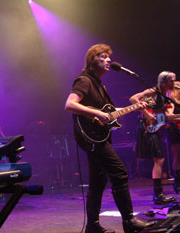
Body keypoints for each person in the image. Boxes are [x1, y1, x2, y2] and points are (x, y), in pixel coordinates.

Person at [65, 44, 152, 233]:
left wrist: (137, 107)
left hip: (99, 135)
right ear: (92, 60)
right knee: (119, 173)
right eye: (103, 57)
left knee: (98, 181)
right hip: (91, 137)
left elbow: (111, 113)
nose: (108, 60)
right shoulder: (84, 80)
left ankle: (92, 226)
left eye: (108, 57)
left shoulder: (99, 84)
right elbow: (70, 104)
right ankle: (129, 221)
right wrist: (96, 112)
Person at [130, 71, 178, 204]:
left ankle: (158, 194)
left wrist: (172, 116)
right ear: (163, 81)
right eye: (172, 81)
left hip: (157, 129)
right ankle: (158, 195)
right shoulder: (152, 91)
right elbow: (133, 98)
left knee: (160, 159)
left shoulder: (166, 96)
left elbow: (168, 116)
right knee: (159, 160)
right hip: (147, 128)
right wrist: (146, 113)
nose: (174, 83)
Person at [168, 81, 180, 193]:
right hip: (176, 129)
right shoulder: (171, 102)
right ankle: (178, 181)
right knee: (177, 155)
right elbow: (169, 116)